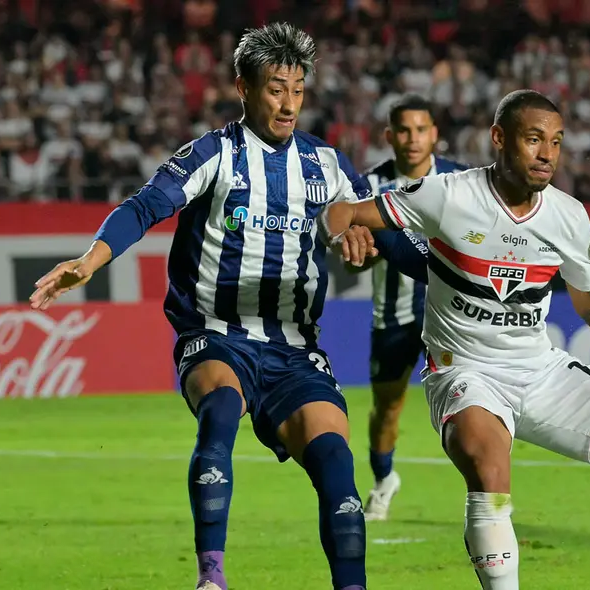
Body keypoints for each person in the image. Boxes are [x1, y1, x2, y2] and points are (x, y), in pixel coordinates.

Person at [28, 23, 411, 590]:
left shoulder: (325, 164)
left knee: (335, 460)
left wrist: (374, 242)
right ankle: (212, 579)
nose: (288, 102)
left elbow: (377, 227)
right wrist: (90, 261)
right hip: (216, 334)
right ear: (244, 87)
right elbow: (143, 207)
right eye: (276, 87)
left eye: (298, 89)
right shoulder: (215, 153)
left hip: (295, 348)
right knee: (222, 411)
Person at [322, 90, 590, 589]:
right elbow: (343, 213)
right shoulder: (448, 194)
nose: (547, 153)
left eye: (556, 141)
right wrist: (342, 235)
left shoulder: (568, 216)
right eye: (534, 140)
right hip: (463, 371)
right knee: (489, 472)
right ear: (499, 140)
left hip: (540, 369)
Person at [359, 94, 465, 521]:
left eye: (421, 129)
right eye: (404, 130)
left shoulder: (461, 181)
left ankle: (486, 497)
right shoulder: (368, 187)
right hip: (394, 318)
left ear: (434, 134)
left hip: (454, 316)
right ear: (390, 136)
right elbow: (357, 249)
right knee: (388, 408)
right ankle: (384, 481)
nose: (413, 138)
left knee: (473, 403)